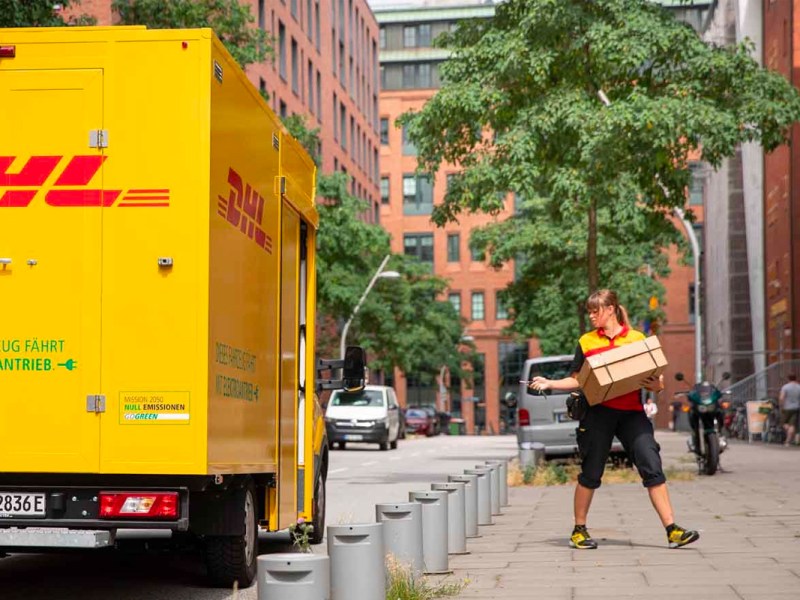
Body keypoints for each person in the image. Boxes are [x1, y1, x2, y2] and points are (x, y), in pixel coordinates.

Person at [530, 289, 699, 550]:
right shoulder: (586, 341)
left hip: (632, 413)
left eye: (595, 310)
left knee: (651, 464)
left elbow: (657, 381)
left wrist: (657, 384)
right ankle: (579, 530)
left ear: (611, 309)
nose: (592, 316)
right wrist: (549, 383)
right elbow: (577, 379)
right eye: (589, 311)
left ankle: (672, 530)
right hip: (598, 412)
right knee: (591, 471)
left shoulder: (636, 339)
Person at [779, 374, 800, 447]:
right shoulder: (798, 387)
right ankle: (788, 440)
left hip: (787, 407)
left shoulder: (785, 387)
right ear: (796, 378)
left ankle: (788, 436)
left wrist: (781, 405)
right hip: (796, 407)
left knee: (783, 422)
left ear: (788, 379)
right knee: (792, 424)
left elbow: (782, 397)